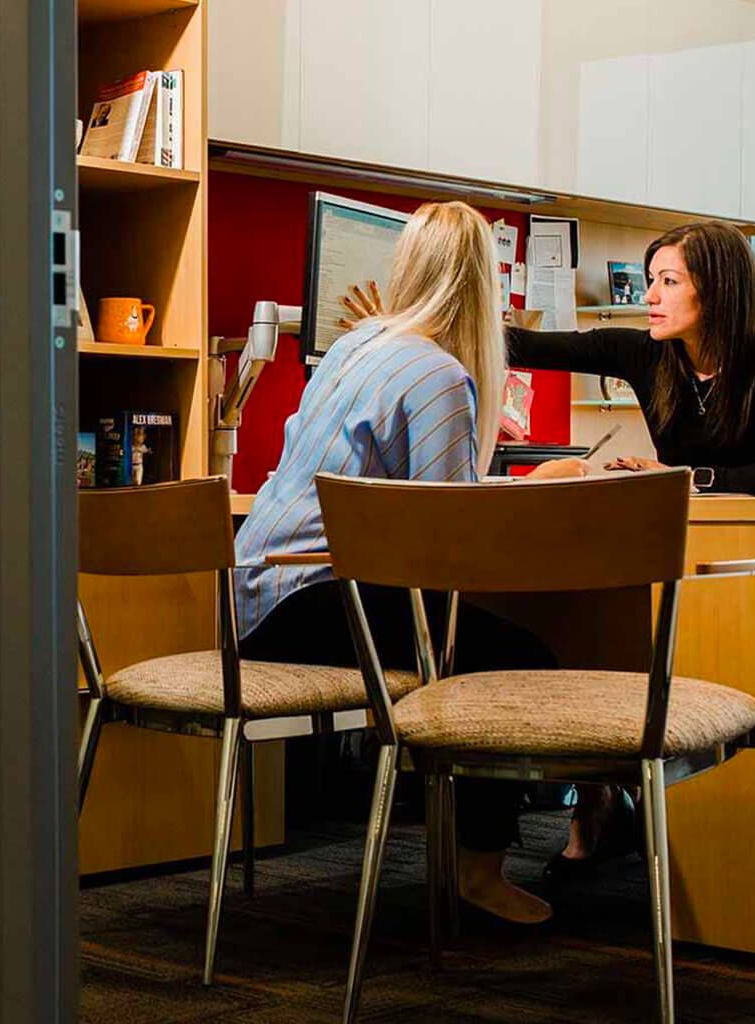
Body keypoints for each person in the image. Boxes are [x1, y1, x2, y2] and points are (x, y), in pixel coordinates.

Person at [339, 218, 755, 874]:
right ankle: (597, 801)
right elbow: (522, 342)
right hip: (661, 541)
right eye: (650, 280)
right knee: (585, 625)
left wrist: (694, 479)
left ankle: (621, 812)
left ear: (720, 290)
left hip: (746, 557)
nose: (650, 295)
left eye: (668, 282)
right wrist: (412, 320)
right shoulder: (645, 353)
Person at [236, 201, 577, 926]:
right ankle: (478, 872)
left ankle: (463, 845)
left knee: (466, 645)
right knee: (518, 662)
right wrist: (534, 484)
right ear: (484, 286)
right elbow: (450, 536)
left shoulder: (356, 346)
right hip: (315, 596)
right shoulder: (440, 376)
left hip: (254, 600)